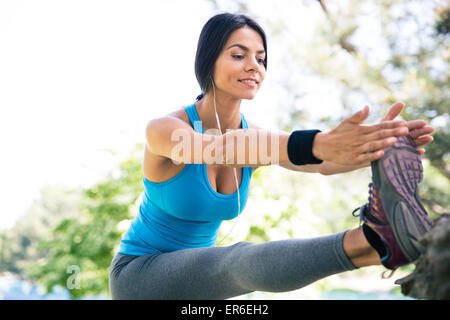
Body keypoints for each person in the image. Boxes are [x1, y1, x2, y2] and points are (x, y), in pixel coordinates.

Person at [108, 12, 435, 300]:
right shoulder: (165, 130)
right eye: (239, 55)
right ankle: (372, 243)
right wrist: (318, 142)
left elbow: (318, 163)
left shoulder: (257, 137)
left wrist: (377, 147)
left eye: (261, 59)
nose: (254, 66)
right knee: (237, 262)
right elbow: (219, 148)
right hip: (140, 274)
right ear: (209, 61)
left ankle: (381, 241)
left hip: (200, 280)